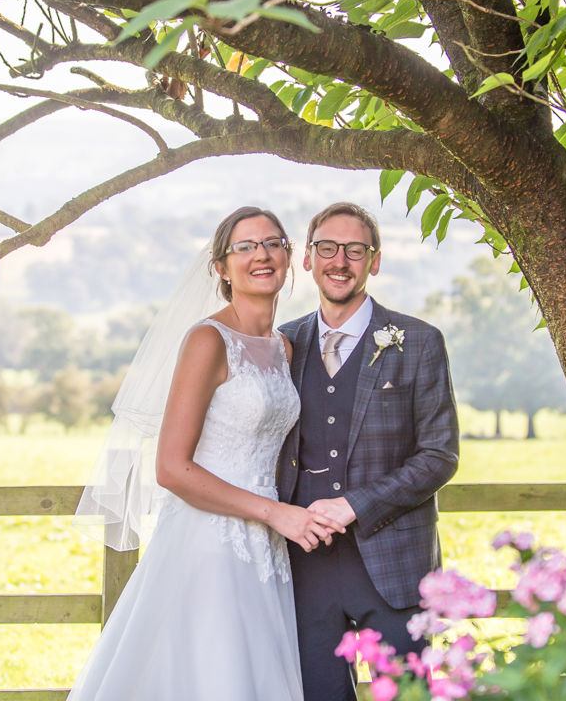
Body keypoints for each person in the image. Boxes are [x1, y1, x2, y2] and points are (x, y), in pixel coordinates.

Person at [70, 206, 341, 701]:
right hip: (209, 543)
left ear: (289, 258)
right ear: (220, 267)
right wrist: (276, 513)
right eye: (245, 246)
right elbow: (172, 468)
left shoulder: (284, 347)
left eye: (273, 243)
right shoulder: (207, 340)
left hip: (269, 549)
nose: (261, 255)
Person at [277, 202, 460, 701]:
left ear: (374, 261)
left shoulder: (419, 341)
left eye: (355, 250)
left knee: (406, 695)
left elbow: (439, 455)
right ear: (309, 259)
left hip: (395, 565)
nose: (341, 261)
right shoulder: (283, 343)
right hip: (303, 566)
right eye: (327, 248)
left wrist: (355, 505)